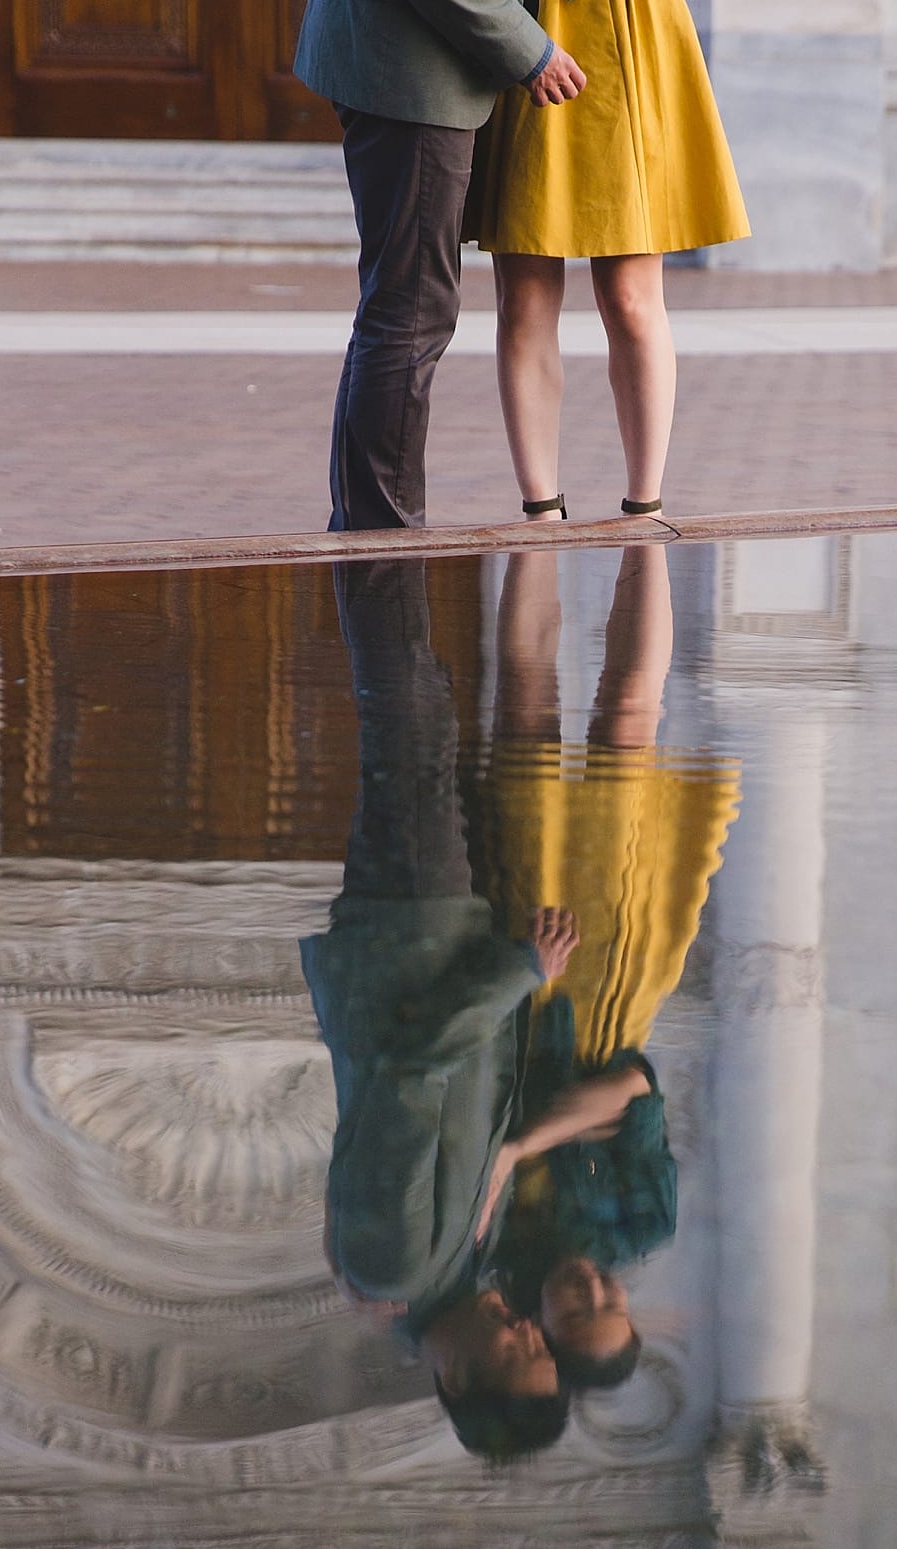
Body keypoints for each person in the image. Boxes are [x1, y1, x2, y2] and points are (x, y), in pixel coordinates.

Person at [301, 558, 577, 1457]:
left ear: (457, 1376)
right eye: (545, 1345)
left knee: (407, 709)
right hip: (431, 932)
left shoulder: (395, 1266)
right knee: (418, 708)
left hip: (409, 932)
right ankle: (381, 520)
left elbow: (411, 1070)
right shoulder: (445, 1271)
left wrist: (520, 971)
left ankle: (378, 511)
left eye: (519, 1352)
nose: (533, 1329)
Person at [300, 0, 585, 531]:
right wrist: (524, 44)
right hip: (409, 65)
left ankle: (369, 531)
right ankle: (382, 542)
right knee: (410, 311)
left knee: (407, 306)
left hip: (445, 63)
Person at [468, 0, 751, 522]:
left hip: (621, 10)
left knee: (630, 292)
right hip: (522, 4)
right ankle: (541, 510)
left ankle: (643, 506)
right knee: (524, 290)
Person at [466, 544, 742, 1382]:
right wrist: (520, 1147)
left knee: (523, 709)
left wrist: (574, 1120)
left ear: (541, 1330)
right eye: (612, 1301)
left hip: (518, 973)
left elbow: (606, 1107)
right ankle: (644, 517)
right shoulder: (642, 1225)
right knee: (628, 718)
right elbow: (632, 1088)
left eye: (578, 1309)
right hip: (611, 976)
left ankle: (537, 519)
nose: (593, 1285)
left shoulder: (488, 1250)